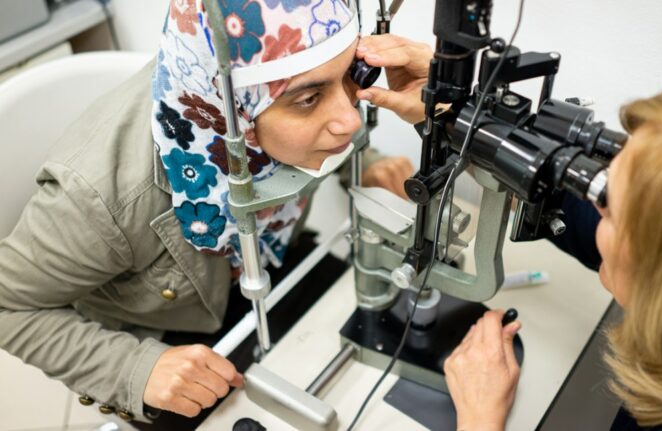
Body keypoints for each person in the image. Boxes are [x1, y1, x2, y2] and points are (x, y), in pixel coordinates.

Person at [0, 0, 430, 423]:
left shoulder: (264, 101)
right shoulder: (100, 199)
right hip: (169, 333)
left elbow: (325, 106)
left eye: (353, 76)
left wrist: (367, 163)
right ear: (232, 112)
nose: (350, 120)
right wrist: (133, 369)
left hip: (270, 264)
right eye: (309, 99)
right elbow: (8, 306)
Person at [444, 75, 662, 430]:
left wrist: (480, 419)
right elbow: (578, 214)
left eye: (611, 206)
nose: (595, 206)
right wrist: (450, 114)